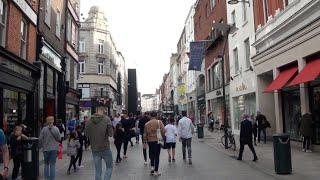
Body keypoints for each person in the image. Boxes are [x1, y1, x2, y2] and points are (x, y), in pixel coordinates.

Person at [85, 106, 113, 180]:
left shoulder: (89, 120)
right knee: (109, 167)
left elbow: (86, 134)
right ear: (103, 111)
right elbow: (111, 134)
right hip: (105, 147)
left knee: (98, 170)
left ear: (96, 110)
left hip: (94, 148)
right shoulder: (107, 119)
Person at [143, 111, 165, 176]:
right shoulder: (159, 122)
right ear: (156, 115)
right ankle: (156, 171)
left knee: (151, 153)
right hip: (158, 140)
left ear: (150, 116)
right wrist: (163, 137)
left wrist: (145, 142)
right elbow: (163, 131)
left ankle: (152, 167)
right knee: (157, 155)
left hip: (150, 140)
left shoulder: (147, 124)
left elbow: (144, 134)